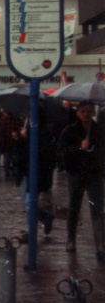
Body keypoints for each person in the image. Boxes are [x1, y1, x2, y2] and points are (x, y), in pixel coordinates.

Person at [58, 100, 105, 260]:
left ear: (93, 113)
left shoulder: (98, 130)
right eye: (83, 111)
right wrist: (79, 147)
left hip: (94, 175)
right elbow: (62, 151)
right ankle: (71, 240)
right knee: (74, 207)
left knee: (97, 208)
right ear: (78, 113)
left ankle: (100, 245)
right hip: (76, 174)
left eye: (89, 111)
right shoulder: (70, 130)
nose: (86, 114)